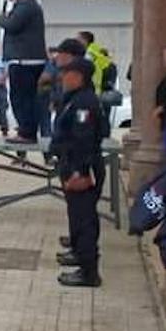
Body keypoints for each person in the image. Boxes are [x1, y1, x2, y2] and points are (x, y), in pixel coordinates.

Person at [49, 59, 104, 287]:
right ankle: (82, 259)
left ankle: (89, 272)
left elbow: (84, 140)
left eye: (67, 74)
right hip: (71, 164)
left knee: (85, 220)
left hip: (81, 167)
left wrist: (79, 173)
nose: (63, 78)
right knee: (79, 216)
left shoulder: (84, 103)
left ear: (79, 76)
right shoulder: (74, 99)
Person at [0, 0, 47, 144]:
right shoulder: (28, 5)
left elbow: (12, 25)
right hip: (27, 59)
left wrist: (2, 18)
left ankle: (27, 132)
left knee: (21, 98)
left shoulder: (25, 5)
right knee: (26, 98)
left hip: (24, 60)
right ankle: (27, 130)